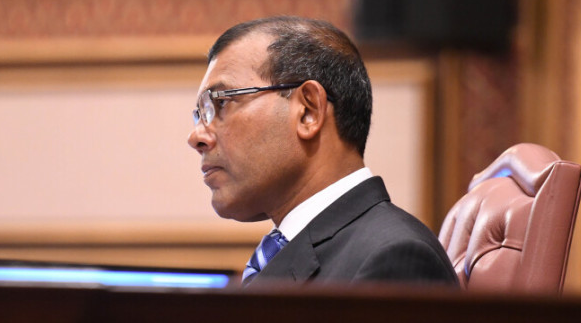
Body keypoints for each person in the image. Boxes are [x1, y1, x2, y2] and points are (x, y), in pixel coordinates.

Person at [187, 15, 458, 287]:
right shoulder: (289, 251)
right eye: (200, 114)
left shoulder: (392, 259)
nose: (196, 136)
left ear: (308, 111)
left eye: (221, 103)